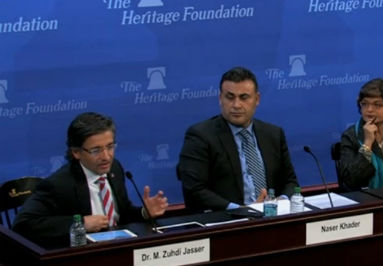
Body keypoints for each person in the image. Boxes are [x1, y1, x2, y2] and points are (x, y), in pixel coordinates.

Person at [13, 112, 169, 248]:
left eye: (110, 146)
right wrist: (81, 224)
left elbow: (121, 215)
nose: (106, 157)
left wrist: (144, 212)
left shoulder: (114, 169)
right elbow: (23, 225)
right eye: (96, 150)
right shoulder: (59, 184)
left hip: (119, 248)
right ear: (76, 152)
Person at [177, 66, 298, 212]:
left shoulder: (273, 134)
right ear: (220, 99)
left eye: (244, 97)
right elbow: (194, 190)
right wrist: (241, 210)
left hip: (272, 216)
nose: (236, 105)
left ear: (257, 99)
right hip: (227, 223)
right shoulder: (200, 136)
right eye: (230, 97)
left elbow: (290, 182)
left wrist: (281, 201)